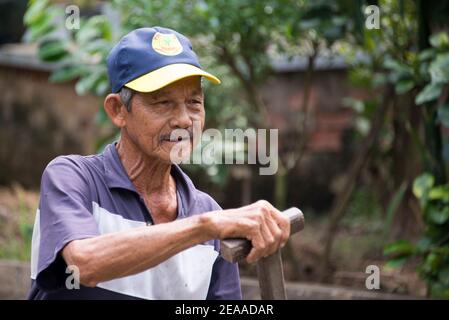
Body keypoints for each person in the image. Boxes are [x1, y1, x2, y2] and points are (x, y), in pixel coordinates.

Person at [28, 26, 290, 300]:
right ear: (118, 110)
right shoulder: (73, 178)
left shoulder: (207, 211)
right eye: (163, 102)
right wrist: (203, 227)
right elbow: (84, 264)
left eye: (194, 102)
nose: (184, 120)